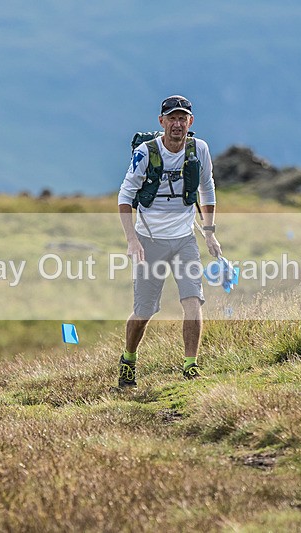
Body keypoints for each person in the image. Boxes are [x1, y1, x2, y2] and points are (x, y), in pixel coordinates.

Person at [117, 95, 221, 387]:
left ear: (191, 121)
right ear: (161, 122)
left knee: (192, 299)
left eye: (182, 118)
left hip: (184, 239)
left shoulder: (199, 149)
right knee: (144, 310)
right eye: (172, 118)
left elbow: (207, 188)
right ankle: (129, 359)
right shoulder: (145, 152)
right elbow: (125, 197)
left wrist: (210, 232)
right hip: (150, 241)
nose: (177, 124)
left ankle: (190, 365)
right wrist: (132, 240)